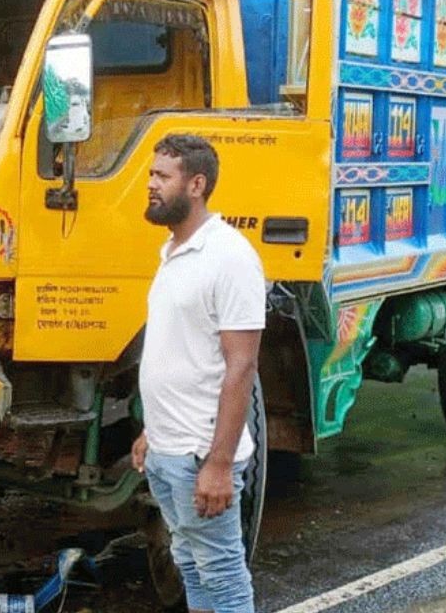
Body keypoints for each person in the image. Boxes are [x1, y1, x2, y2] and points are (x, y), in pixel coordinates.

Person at [131, 134, 264, 613]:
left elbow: (241, 364)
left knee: (223, 577)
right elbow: (179, 354)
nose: (150, 184)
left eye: (162, 176)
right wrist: (152, 431)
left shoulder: (229, 257)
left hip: (199, 455)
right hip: (169, 449)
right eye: (152, 174)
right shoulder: (172, 253)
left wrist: (220, 463)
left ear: (196, 184)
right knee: (191, 565)